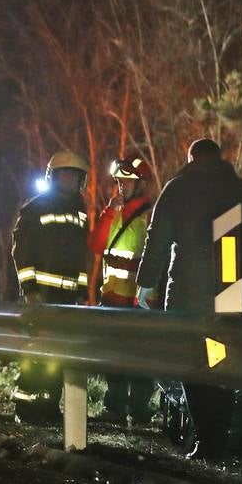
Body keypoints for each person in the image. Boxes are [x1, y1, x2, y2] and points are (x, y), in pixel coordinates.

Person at [135, 138, 242, 460]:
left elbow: (156, 241)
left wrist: (145, 286)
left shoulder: (176, 190)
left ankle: (206, 438)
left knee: (193, 362)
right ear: (220, 159)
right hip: (229, 291)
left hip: (187, 292)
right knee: (221, 361)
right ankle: (216, 439)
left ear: (191, 159)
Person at [10, 150, 90, 423]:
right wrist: (30, 289)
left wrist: (82, 293)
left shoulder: (80, 212)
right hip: (40, 297)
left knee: (58, 355)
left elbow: (82, 255)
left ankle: (49, 406)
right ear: (53, 177)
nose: (69, 180)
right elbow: (21, 252)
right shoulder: (35, 208)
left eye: (74, 176)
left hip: (67, 299)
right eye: (64, 174)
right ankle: (25, 407)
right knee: (35, 354)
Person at [90, 154, 156, 427]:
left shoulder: (150, 214)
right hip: (112, 295)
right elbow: (95, 245)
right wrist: (108, 212)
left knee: (141, 356)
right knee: (113, 355)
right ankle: (114, 406)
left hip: (139, 299)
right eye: (119, 180)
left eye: (127, 181)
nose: (121, 186)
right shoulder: (113, 211)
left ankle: (140, 409)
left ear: (140, 184)